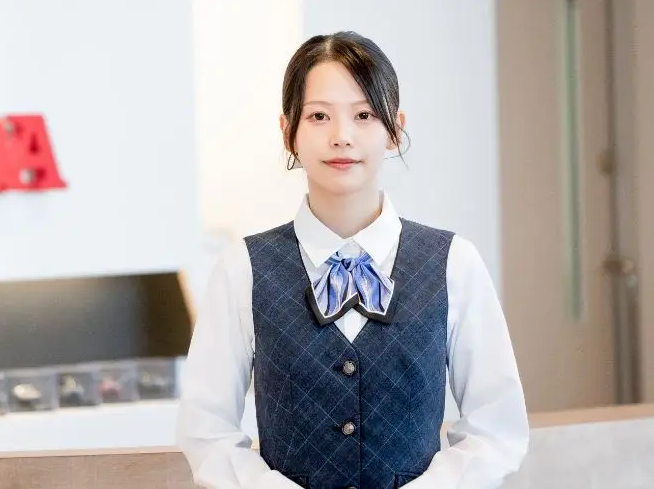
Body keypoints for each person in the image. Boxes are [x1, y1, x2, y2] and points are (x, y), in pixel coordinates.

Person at [177, 31, 529, 489]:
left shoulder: (454, 263)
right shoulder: (243, 267)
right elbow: (207, 431)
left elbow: (496, 429)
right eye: (319, 116)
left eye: (364, 115)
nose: (341, 137)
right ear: (288, 132)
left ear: (394, 129)